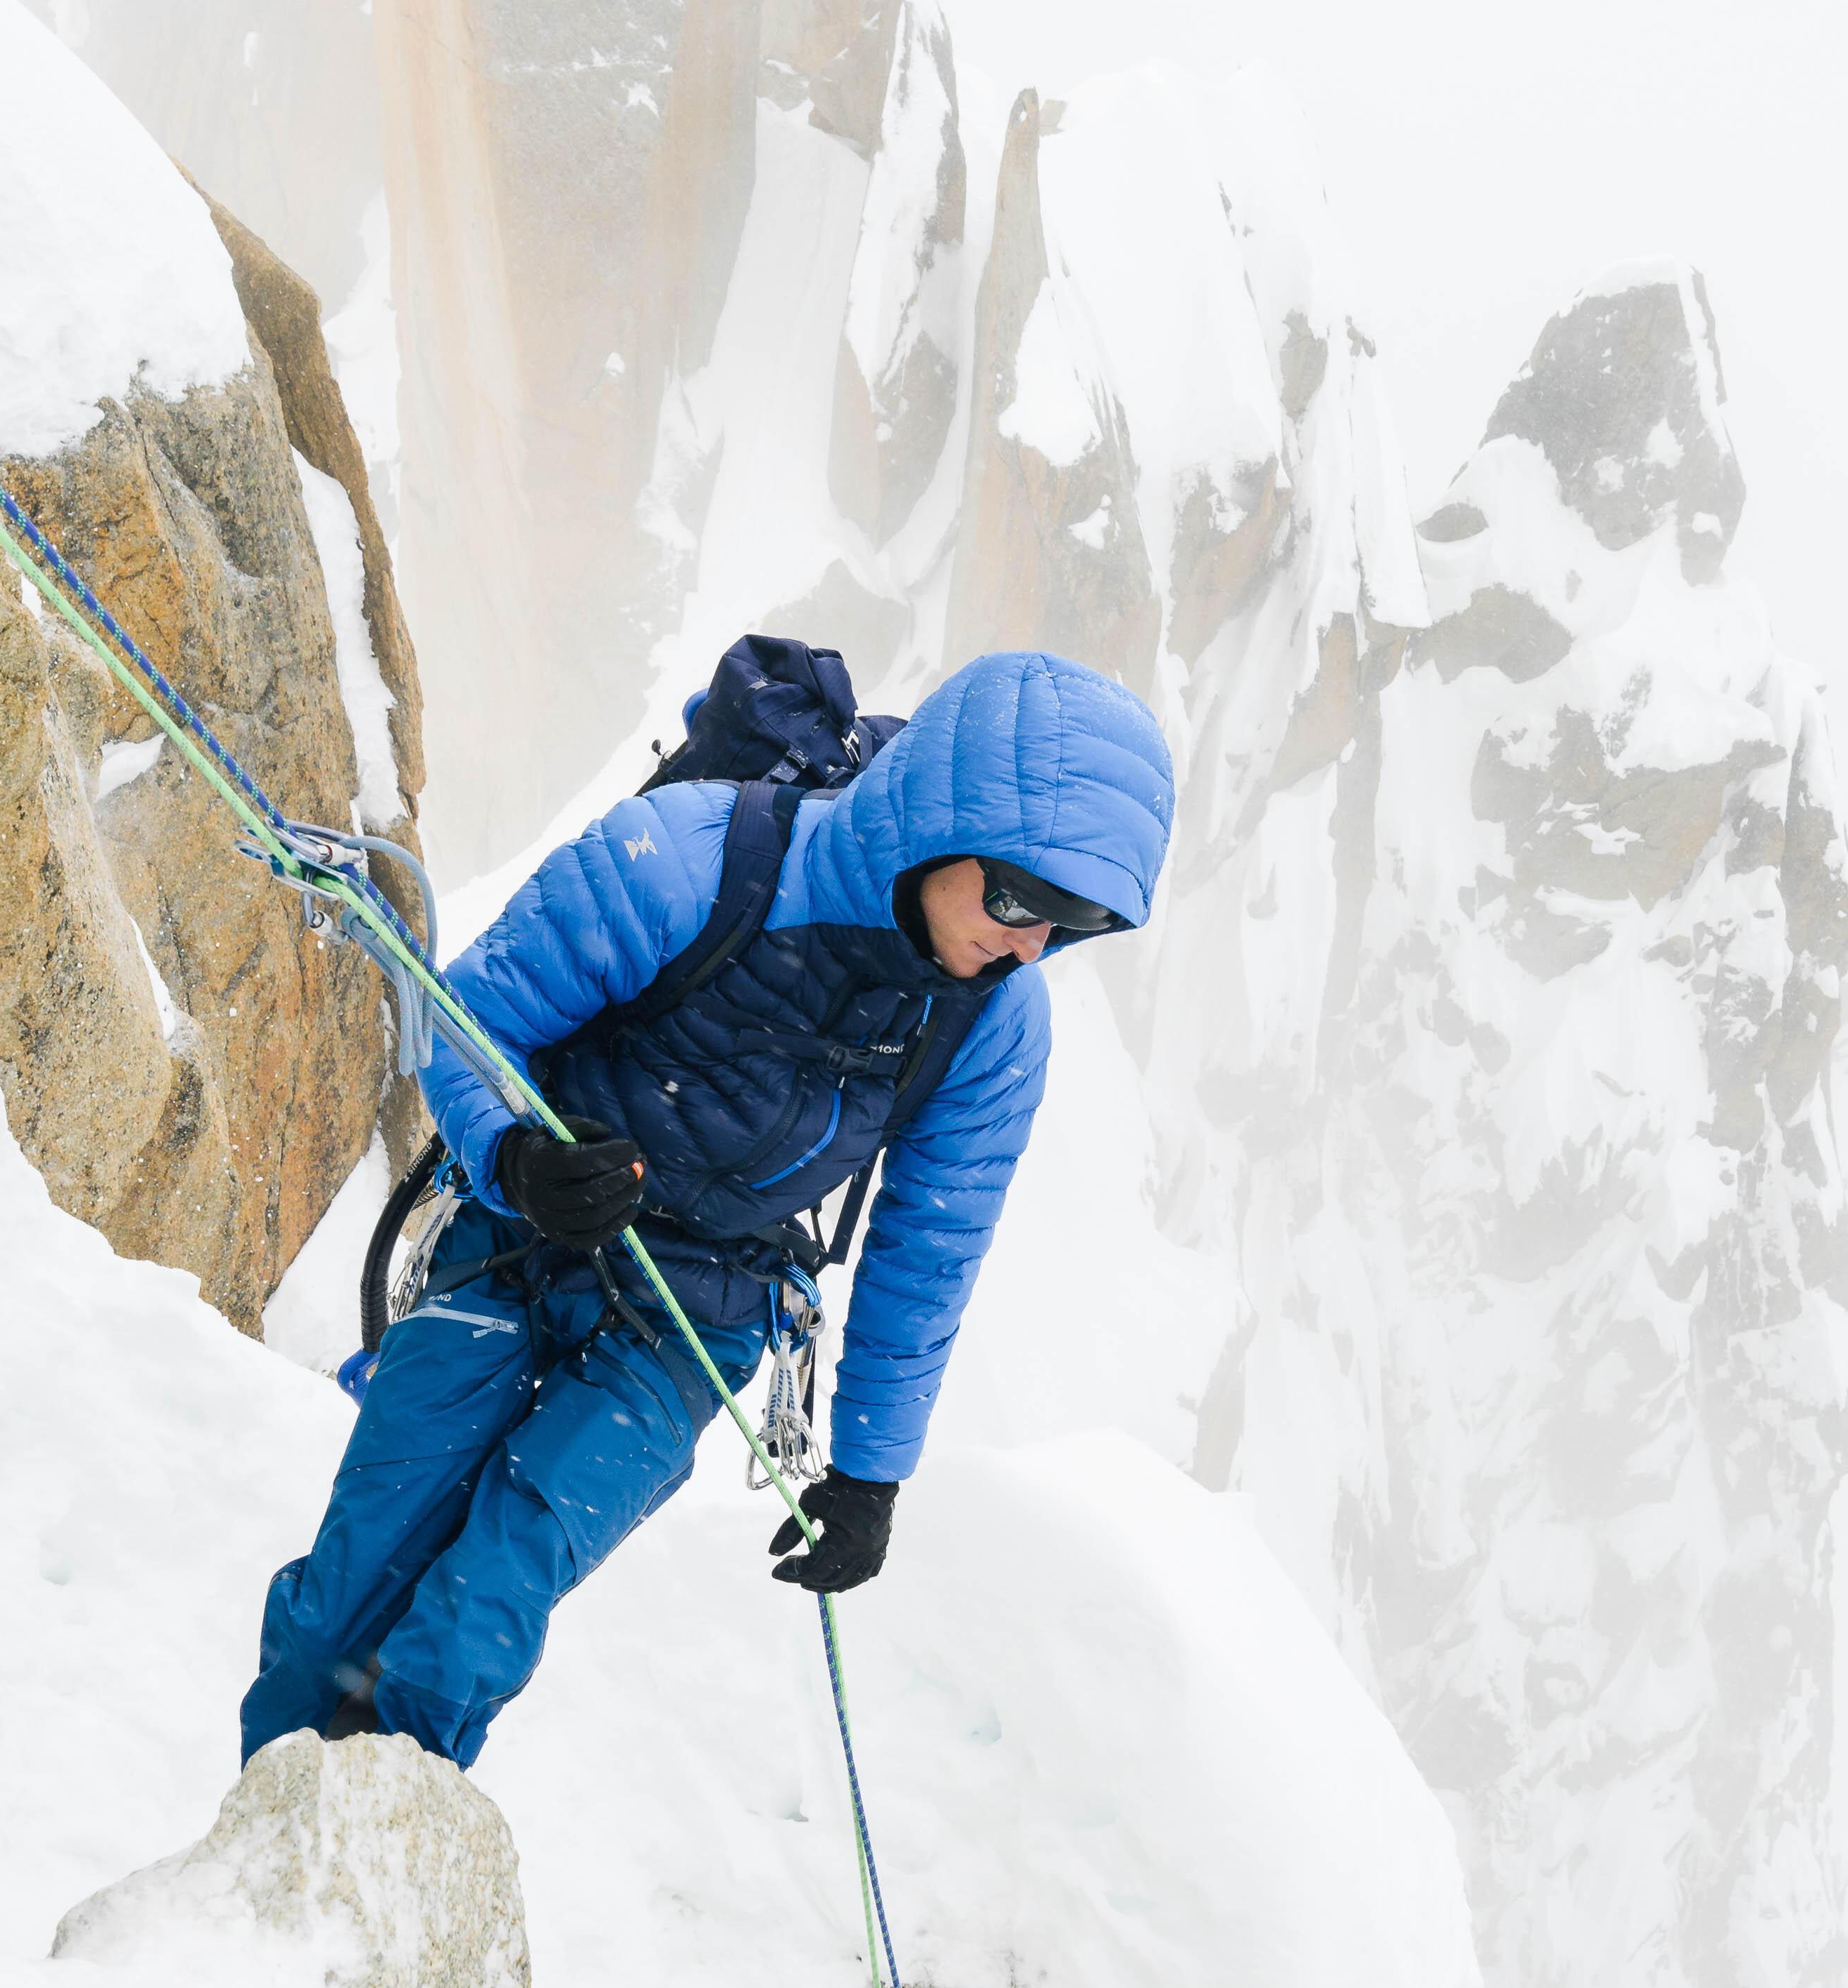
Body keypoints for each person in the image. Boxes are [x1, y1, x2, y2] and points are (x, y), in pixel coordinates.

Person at [239, 645, 1174, 1770]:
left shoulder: (993, 1028)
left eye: (1071, 930)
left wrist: (871, 1475)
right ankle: (262, 1852)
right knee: (346, 1596)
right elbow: (466, 1016)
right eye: (1022, 900)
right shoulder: (687, 860)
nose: (1030, 945)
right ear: (939, 822)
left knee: (475, 1620)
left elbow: (930, 1248)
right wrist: (519, 1159)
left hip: (697, 1320)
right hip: (515, 1241)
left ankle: (372, 1878)